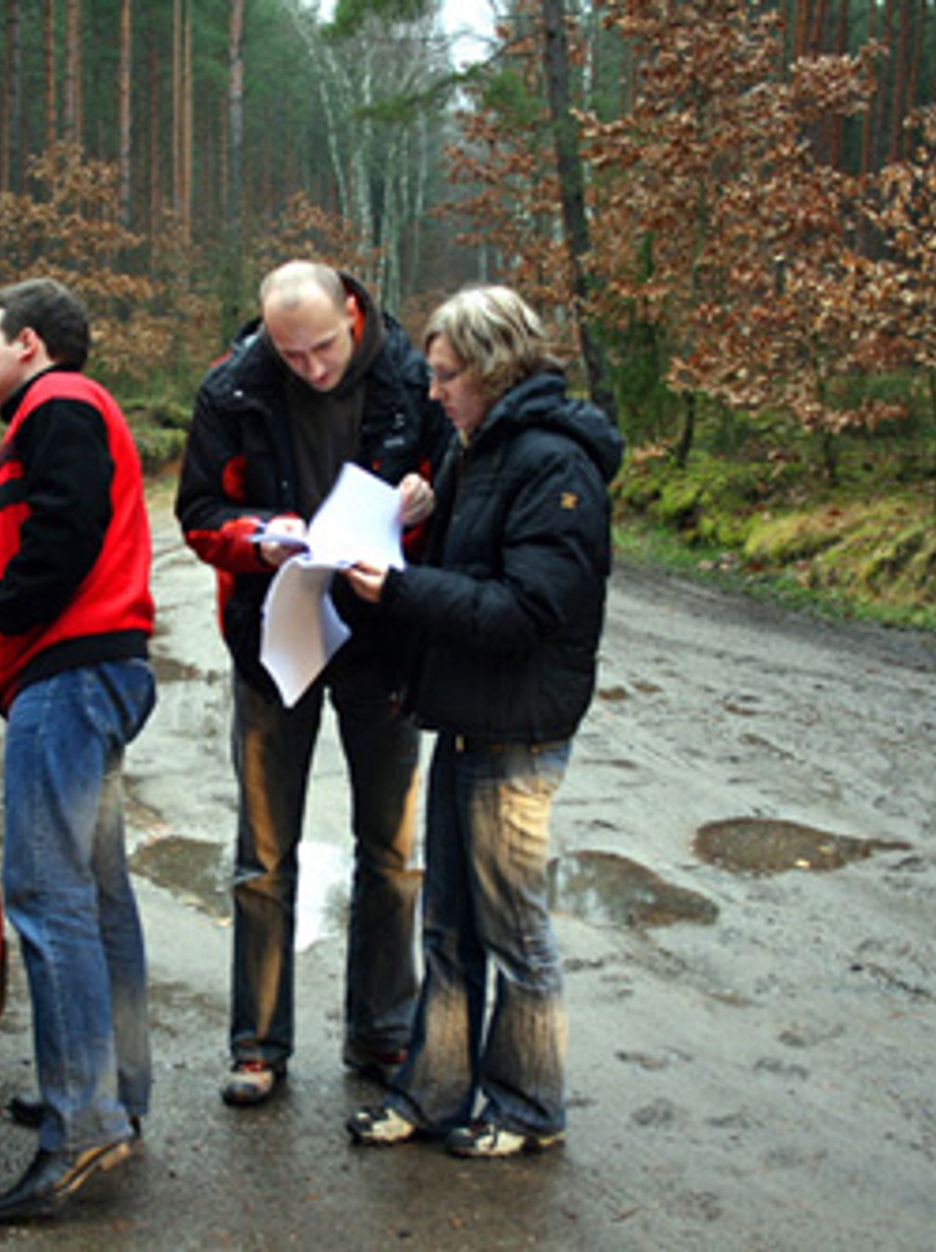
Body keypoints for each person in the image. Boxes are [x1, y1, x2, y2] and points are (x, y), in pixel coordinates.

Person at [339, 286, 622, 1158]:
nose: (434, 393)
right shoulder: (477, 448)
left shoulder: (553, 464)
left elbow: (525, 610)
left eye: (448, 375)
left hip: (518, 733)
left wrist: (403, 588)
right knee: (449, 930)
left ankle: (531, 1107)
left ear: (495, 369)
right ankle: (432, 1093)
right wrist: (406, 528)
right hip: (465, 721)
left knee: (514, 934)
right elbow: (468, 580)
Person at [175, 261, 453, 1106]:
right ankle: (258, 1046)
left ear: (353, 314)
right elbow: (197, 514)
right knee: (263, 856)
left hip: (380, 637)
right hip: (276, 639)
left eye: (322, 348)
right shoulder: (232, 389)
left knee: (391, 853)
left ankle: (382, 1033)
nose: (311, 368)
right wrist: (256, 536)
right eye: (290, 355)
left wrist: (427, 495)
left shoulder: (413, 377)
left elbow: (457, 474)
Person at [0, 277, 157, 1224]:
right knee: (93, 893)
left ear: (31, 345)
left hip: (71, 678)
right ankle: (112, 1093)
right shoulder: (64, 407)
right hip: (89, 674)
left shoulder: (59, 403)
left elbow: (64, 535)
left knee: (47, 895)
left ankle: (83, 1126)